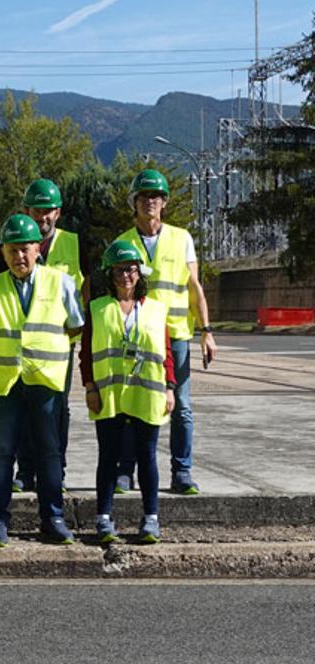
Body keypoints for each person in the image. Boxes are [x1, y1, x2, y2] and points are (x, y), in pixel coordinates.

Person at [0, 214, 84, 547]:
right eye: (12, 250)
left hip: (46, 383)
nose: (19, 257)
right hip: (6, 384)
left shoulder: (61, 283)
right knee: (2, 452)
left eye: (25, 249)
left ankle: (53, 518)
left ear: (38, 248)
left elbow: (75, 326)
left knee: (49, 451)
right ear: (3, 252)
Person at [116, 168, 217, 495]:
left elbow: (193, 286)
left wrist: (206, 330)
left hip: (175, 335)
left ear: (164, 203)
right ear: (135, 202)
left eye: (156, 196)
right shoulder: (123, 243)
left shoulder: (181, 238)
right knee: (131, 406)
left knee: (182, 407)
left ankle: (182, 471)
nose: (150, 202)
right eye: (144, 196)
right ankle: (125, 472)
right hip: (137, 336)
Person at [80, 241, 177, 545]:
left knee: (147, 457)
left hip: (146, 394)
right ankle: (104, 519)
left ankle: (151, 518)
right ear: (110, 274)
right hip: (108, 395)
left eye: (132, 269)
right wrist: (90, 387)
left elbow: (167, 353)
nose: (126, 275)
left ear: (140, 273)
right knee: (107, 457)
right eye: (120, 269)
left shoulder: (156, 310)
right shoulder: (97, 309)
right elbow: (85, 354)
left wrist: (170, 388)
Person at [9, 179, 88, 494]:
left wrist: (69, 337)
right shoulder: (15, 241)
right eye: (36, 209)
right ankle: (25, 471)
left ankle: (56, 469)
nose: (42, 216)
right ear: (27, 210)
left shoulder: (74, 243)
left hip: (59, 348)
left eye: (48, 210)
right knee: (25, 408)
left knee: (57, 410)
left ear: (58, 212)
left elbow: (84, 292)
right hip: (22, 346)